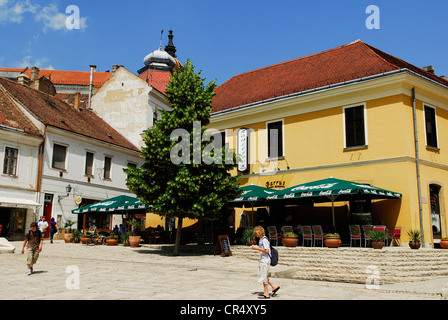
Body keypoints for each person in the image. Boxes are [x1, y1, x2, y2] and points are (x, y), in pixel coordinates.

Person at [251, 225, 280, 299]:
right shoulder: (261, 240)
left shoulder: (264, 240)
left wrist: (257, 248)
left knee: (264, 277)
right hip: (263, 260)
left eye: (256, 233)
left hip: (265, 261)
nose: (255, 234)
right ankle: (274, 286)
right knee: (264, 276)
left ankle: (266, 293)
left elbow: (266, 250)